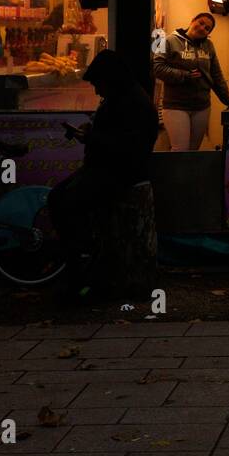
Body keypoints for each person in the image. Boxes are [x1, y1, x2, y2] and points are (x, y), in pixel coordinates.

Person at [48, 49, 160, 290]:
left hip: (119, 174)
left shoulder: (133, 104)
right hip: (107, 169)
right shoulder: (121, 98)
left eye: (98, 84)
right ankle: (80, 260)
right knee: (57, 197)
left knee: (67, 203)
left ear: (110, 80)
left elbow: (128, 147)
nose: (96, 91)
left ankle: (82, 263)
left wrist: (91, 137)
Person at [153, 11, 229, 151]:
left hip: (202, 106)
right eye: (201, 23)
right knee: (180, 150)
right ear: (192, 21)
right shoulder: (169, 41)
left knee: (193, 150)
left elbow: (216, 75)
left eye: (207, 28)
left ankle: (188, 174)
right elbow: (157, 67)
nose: (202, 28)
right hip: (176, 106)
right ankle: (176, 174)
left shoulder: (209, 46)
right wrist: (184, 75)